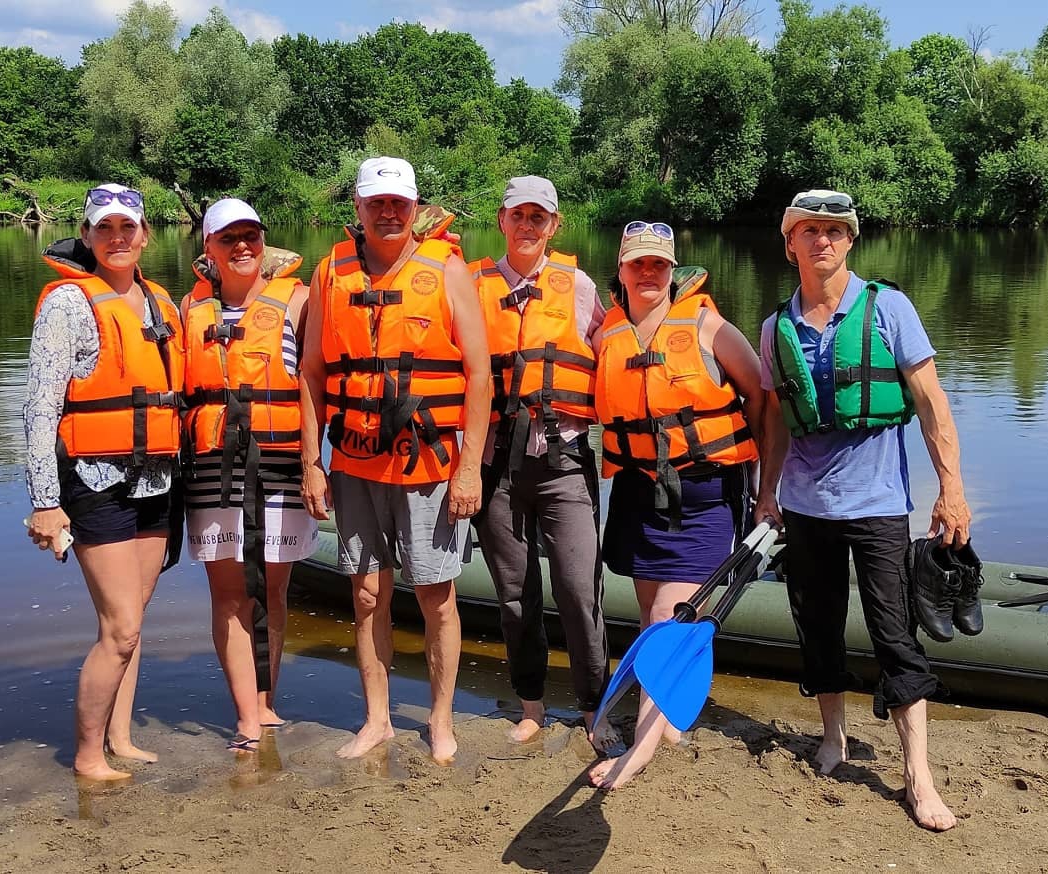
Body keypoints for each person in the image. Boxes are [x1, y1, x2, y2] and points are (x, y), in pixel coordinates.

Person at [753, 189, 971, 832]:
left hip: (878, 505)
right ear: (790, 244)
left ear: (849, 241)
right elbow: (777, 421)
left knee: (893, 633)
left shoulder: (888, 308)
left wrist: (952, 488)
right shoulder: (774, 328)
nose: (822, 240)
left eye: (834, 231)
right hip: (805, 506)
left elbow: (931, 402)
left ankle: (918, 775)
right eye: (809, 231)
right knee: (817, 626)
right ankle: (834, 737)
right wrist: (766, 492)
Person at [299, 156, 490, 764]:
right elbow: (312, 373)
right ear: (358, 207)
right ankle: (377, 719)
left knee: (436, 597)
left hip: (429, 465)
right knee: (365, 596)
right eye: (376, 202)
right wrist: (311, 462)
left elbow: (479, 375)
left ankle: (440, 719)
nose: (388, 213)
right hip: (355, 463)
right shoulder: (330, 273)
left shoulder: (448, 270)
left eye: (398, 204)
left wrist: (469, 468)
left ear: (414, 208)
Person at [587, 222, 763, 789]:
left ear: (672, 270)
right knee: (649, 615)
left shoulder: (708, 326)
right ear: (620, 269)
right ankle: (662, 724)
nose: (647, 273)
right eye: (637, 263)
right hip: (640, 492)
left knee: (671, 619)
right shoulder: (607, 333)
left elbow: (761, 398)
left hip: (706, 495)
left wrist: (768, 488)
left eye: (658, 265)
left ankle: (635, 755)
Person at [23, 183, 184, 781]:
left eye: (127, 227)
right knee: (122, 628)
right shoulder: (69, 303)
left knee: (130, 620)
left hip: (156, 478)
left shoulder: (160, 303)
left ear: (145, 235)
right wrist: (45, 502)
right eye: (104, 228)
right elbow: (40, 408)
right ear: (87, 235)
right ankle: (88, 755)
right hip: (95, 480)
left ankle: (120, 737)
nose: (117, 238)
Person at [467, 176, 615, 749]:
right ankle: (531, 705)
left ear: (554, 225)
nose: (527, 226)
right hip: (496, 463)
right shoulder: (473, 285)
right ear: (501, 220)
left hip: (564, 459)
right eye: (518, 215)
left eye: (539, 217)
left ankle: (594, 707)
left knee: (578, 590)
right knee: (514, 593)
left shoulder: (577, 287)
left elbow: (614, 350)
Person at [179, 198, 319, 753]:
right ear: (209, 248)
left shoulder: (299, 303)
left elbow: (314, 386)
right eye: (228, 238)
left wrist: (314, 464)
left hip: (280, 460)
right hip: (213, 462)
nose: (241, 246)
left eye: (250, 236)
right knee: (229, 592)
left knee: (274, 589)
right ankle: (245, 717)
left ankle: (266, 701)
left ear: (263, 241)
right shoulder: (189, 310)